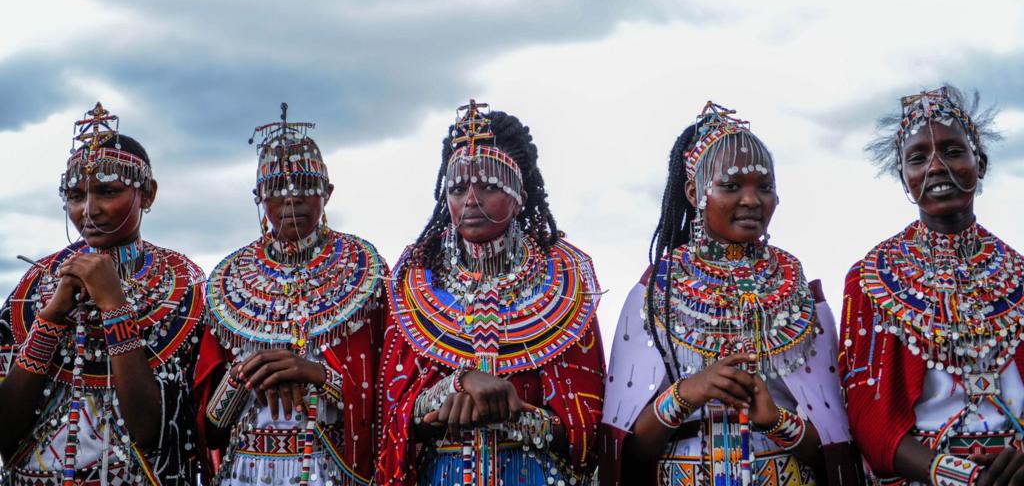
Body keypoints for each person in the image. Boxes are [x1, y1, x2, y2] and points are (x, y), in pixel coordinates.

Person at [601, 102, 860, 486]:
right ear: (694, 192)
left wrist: (776, 421)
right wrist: (689, 392)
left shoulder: (800, 295)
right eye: (732, 185)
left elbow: (835, 451)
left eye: (765, 187)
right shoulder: (654, 292)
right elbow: (625, 451)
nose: (752, 201)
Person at [376, 101, 605, 486]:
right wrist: (456, 385)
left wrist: (512, 412)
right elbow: (392, 414)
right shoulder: (414, 281)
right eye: (458, 188)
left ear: (519, 195)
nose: (470, 200)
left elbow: (586, 430)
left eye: (489, 186)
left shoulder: (566, 283)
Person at [0, 103, 205, 484]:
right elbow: (4, 430)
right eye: (76, 196)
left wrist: (114, 306)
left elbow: (150, 433)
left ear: (148, 194)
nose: (89, 210)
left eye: (107, 191)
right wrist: (51, 316)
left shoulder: (185, 288)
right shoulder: (32, 287)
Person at [841, 85, 1024, 486]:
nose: (937, 167)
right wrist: (960, 477)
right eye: (919, 158)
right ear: (904, 178)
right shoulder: (871, 280)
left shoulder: (1019, 274)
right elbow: (870, 421)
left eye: (954, 152)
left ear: (982, 163)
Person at [195, 104, 386, 486]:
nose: (290, 198)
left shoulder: (366, 275)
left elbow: (386, 402)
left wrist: (316, 375)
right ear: (258, 197)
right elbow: (208, 429)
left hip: (330, 470)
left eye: (304, 185)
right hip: (245, 472)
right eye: (276, 189)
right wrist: (247, 374)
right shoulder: (228, 282)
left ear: (327, 193)